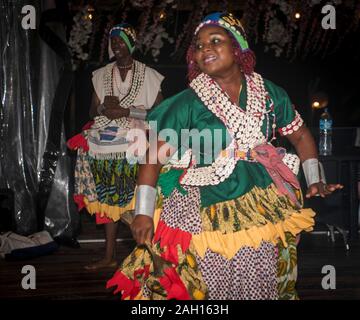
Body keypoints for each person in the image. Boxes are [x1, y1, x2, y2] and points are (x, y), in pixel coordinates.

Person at [106, 13, 343, 300]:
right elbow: (153, 158)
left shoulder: (269, 94)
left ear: (237, 48)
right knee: (207, 275)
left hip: (264, 197)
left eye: (215, 41)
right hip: (206, 202)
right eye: (199, 46)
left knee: (265, 271)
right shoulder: (187, 103)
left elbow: (301, 136)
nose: (205, 49)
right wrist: (143, 212)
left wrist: (315, 178)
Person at [67, 23, 164, 270]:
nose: (116, 45)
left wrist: (127, 111)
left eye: (120, 40)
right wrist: (103, 109)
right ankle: (109, 256)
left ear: (131, 44)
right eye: (113, 41)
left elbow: (160, 113)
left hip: (135, 140)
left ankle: (149, 259)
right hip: (105, 143)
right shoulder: (101, 75)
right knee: (108, 202)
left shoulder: (149, 75)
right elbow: (92, 110)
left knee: (135, 203)